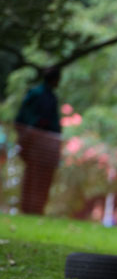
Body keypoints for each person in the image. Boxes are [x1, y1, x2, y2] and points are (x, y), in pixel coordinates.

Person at [14, 67, 63, 214]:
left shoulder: (50, 96)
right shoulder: (37, 94)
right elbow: (23, 118)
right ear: (55, 80)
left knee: (41, 176)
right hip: (36, 143)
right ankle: (28, 208)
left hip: (45, 144)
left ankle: (35, 208)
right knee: (34, 176)